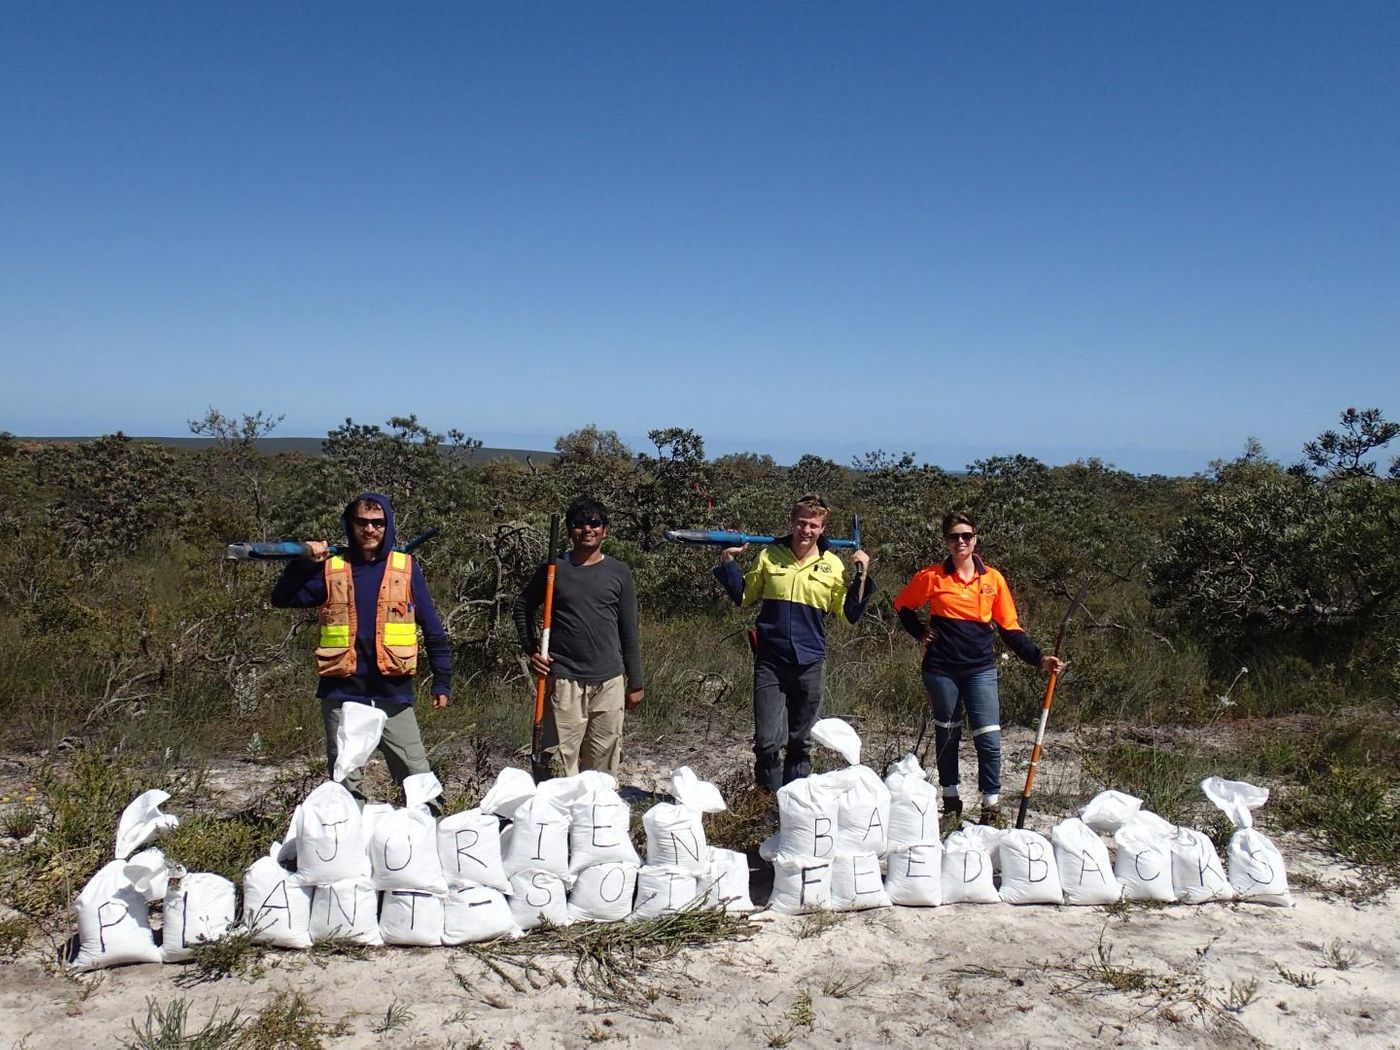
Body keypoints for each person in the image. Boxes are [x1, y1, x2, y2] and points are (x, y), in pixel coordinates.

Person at [270, 492, 451, 810]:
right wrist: (302, 564)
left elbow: (433, 628)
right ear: (349, 525)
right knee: (345, 788)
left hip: (393, 694)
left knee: (419, 781)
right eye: (362, 522)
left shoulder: (405, 568)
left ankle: (430, 847)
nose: (370, 530)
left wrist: (442, 680)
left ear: (388, 526)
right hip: (342, 692)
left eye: (378, 523)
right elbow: (282, 598)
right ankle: (348, 853)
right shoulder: (331, 568)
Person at [892, 511, 1063, 825]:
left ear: (975, 539)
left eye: (966, 536)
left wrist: (1039, 658)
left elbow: (1010, 628)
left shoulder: (992, 579)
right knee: (947, 733)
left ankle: (990, 806)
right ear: (946, 540)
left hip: (979, 669)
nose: (960, 542)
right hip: (941, 670)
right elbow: (903, 605)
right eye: (954, 536)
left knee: (988, 737)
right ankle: (951, 801)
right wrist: (918, 631)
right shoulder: (931, 576)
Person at [715, 494, 874, 791]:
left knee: (801, 742)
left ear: (823, 528)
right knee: (766, 743)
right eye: (801, 523)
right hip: (771, 660)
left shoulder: (833, 565)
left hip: (810, 661)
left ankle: (795, 807)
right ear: (792, 522)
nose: (806, 530)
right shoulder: (770, 555)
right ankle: (769, 805)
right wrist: (728, 561)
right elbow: (744, 596)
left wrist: (862, 576)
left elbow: (848, 615)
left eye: (814, 525)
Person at [513, 498, 645, 776]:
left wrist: (636, 682)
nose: (588, 529)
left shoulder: (619, 573)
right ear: (570, 530)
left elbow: (628, 629)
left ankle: (595, 816)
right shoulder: (553, 569)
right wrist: (532, 650)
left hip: (609, 682)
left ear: (605, 530)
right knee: (560, 762)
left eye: (595, 523)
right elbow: (523, 606)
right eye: (579, 524)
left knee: (603, 763)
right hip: (564, 680)